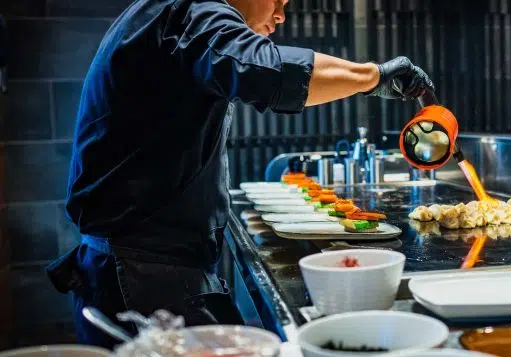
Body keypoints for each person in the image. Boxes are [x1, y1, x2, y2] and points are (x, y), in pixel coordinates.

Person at [44, 0, 433, 349]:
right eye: (277, 0)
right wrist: (374, 76)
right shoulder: (192, 11)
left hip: (140, 268)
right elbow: (269, 71)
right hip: (144, 277)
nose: (281, 14)